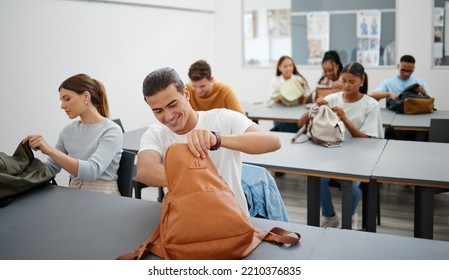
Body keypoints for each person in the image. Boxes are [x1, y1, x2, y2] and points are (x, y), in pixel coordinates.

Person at [136, 67, 281, 215]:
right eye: (158, 111)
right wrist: (193, 179)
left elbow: (273, 141)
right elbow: (144, 170)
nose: (168, 116)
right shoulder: (156, 133)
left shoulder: (223, 118)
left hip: (231, 220)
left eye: (172, 105)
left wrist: (217, 139)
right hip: (184, 222)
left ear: (186, 94)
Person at [298, 62, 384, 228]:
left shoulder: (371, 104)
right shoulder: (333, 98)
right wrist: (315, 106)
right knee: (317, 178)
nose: (346, 85)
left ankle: (349, 216)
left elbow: (367, 139)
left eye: (352, 81)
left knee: (352, 186)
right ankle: (330, 215)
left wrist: (345, 119)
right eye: (343, 81)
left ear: (362, 80)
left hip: (359, 158)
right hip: (332, 153)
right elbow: (300, 122)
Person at [22, 74, 123, 195]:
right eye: (61, 100)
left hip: (104, 197)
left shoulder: (112, 130)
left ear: (86, 96)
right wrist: (18, 172)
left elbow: (91, 171)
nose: (62, 106)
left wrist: (49, 150)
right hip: (74, 193)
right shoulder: (67, 131)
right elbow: (52, 167)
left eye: (67, 99)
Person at [268, 55, 311, 133]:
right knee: (287, 126)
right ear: (279, 68)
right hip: (280, 114)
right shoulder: (275, 80)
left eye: (290, 65)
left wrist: (301, 88)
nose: (288, 68)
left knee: (299, 126)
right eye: (285, 66)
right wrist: (283, 94)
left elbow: (305, 101)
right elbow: (273, 100)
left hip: (296, 113)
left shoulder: (299, 79)